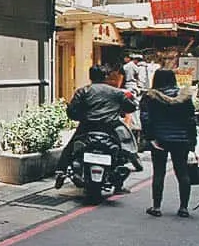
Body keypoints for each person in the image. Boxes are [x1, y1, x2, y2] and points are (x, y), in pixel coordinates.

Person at [55, 64, 140, 192]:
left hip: (87, 128)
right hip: (110, 129)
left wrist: (81, 116)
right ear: (105, 76)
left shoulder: (83, 91)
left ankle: (60, 173)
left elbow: (72, 111)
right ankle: (118, 185)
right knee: (123, 153)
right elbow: (131, 107)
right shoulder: (116, 92)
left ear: (90, 77)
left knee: (69, 149)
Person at [140, 69, 197, 218]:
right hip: (181, 139)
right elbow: (191, 120)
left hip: (160, 139)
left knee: (159, 172)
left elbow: (146, 119)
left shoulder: (150, 97)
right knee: (182, 172)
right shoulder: (184, 96)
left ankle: (156, 207)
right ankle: (184, 208)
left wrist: (150, 138)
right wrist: (192, 141)